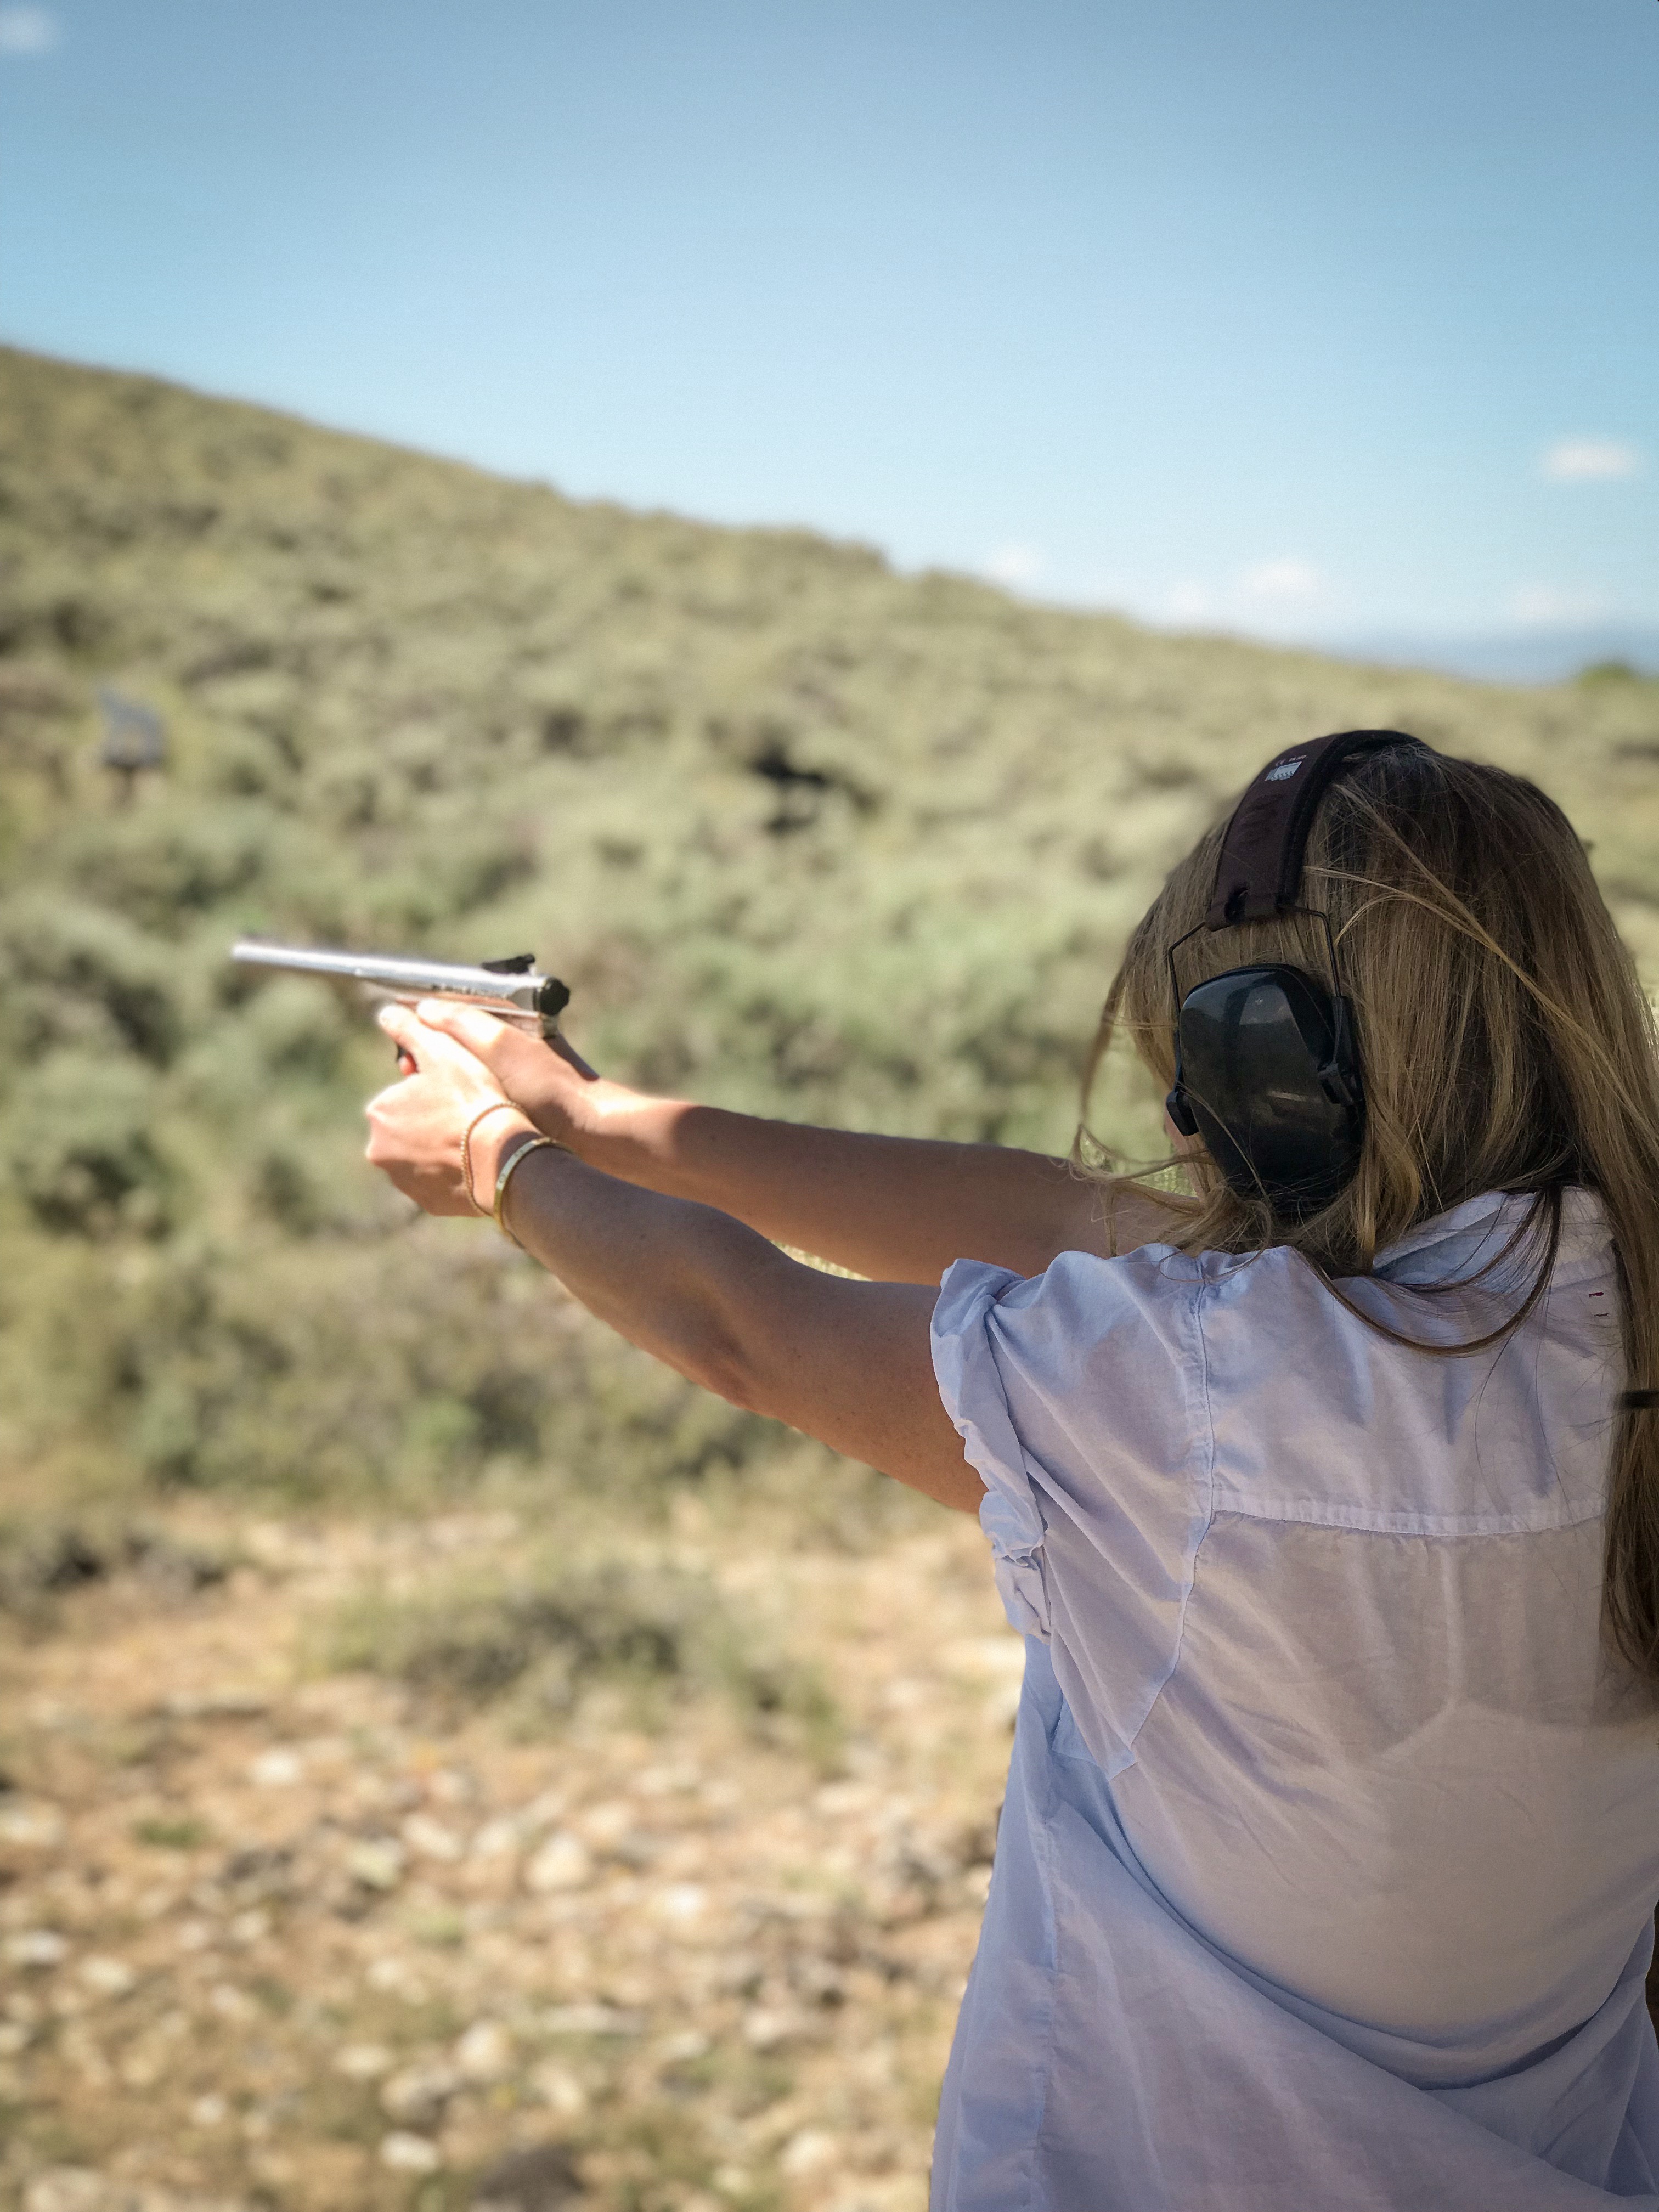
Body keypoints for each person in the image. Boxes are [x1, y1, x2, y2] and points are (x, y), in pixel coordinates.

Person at [365, 731, 1659, 2211]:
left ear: (1294, 1076)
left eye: (1212, 1067)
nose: (1184, 1125)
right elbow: (1068, 1214)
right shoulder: (1572, 1321)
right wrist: (602, 1125)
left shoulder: (1232, 1396)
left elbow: (748, 1332)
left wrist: (498, 1167)